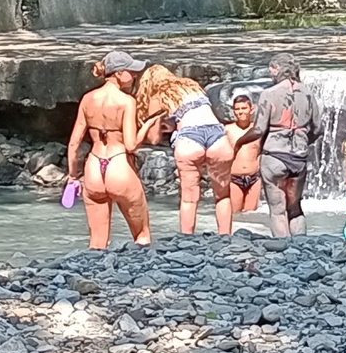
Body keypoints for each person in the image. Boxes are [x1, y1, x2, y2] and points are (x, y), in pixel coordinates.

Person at [65, 51, 161, 249]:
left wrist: (73, 176)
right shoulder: (127, 101)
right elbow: (131, 145)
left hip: (94, 167)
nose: (135, 74)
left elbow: (74, 144)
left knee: (97, 243)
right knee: (142, 236)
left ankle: (93, 276)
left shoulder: (87, 98)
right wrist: (148, 124)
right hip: (119, 165)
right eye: (131, 71)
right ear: (117, 73)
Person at [136, 64, 234, 236]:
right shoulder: (191, 85)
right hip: (216, 134)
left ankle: (187, 239)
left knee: (189, 197)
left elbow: (153, 139)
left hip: (190, 138)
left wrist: (157, 124)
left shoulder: (158, 96)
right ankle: (225, 237)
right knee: (223, 195)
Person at [232, 53, 322, 237]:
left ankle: (283, 252)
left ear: (277, 69)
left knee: (278, 210)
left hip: (274, 156)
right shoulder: (307, 93)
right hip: (299, 156)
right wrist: (305, 142)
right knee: (295, 207)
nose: (270, 73)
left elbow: (258, 130)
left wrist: (239, 143)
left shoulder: (269, 94)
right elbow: (318, 129)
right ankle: (302, 248)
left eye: (271, 70)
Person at [224, 94, 261, 213]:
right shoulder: (227, 130)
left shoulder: (258, 130)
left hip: (255, 177)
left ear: (251, 110)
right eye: (237, 109)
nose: (240, 112)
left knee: (250, 214)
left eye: (244, 108)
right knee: (235, 214)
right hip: (234, 178)